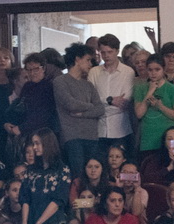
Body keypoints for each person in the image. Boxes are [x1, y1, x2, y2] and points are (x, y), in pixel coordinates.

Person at [54, 43, 107, 177]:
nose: (90, 64)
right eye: (88, 60)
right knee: (78, 175)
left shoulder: (88, 85)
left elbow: (100, 109)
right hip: (72, 136)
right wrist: (90, 106)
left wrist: (82, 113)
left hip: (92, 135)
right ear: (77, 59)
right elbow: (70, 104)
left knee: (93, 176)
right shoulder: (60, 81)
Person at [90, 34, 135, 154]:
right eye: (103, 52)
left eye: (109, 52)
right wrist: (109, 100)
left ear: (117, 51)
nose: (106, 56)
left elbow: (124, 103)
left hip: (121, 130)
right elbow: (91, 100)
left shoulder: (128, 72)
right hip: (99, 131)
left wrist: (100, 109)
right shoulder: (94, 72)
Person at [135, 54, 174, 154]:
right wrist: (150, 92)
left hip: (168, 138)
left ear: (164, 69)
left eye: (157, 69)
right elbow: (139, 114)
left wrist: (160, 106)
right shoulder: (140, 88)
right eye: (150, 70)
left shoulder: (173, 89)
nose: (153, 73)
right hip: (148, 140)